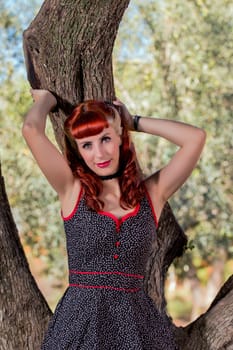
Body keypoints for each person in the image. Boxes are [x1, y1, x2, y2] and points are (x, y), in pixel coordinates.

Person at [22, 89, 206, 350]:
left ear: (120, 137)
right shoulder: (72, 190)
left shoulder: (152, 195)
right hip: (78, 326)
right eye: (87, 145)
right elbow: (31, 129)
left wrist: (133, 121)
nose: (99, 153)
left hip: (139, 328)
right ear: (79, 152)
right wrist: (45, 100)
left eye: (105, 138)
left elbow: (195, 138)